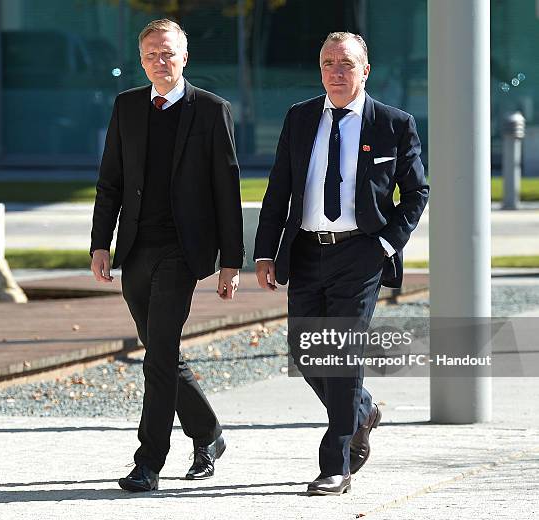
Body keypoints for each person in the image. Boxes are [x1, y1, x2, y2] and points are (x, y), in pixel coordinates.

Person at [254, 32, 428, 495]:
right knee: (307, 352)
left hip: (362, 254)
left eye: (346, 64)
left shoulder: (393, 123)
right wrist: (265, 250)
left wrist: (386, 245)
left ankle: (337, 464)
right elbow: (279, 188)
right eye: (328, 63)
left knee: (343, 355)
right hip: (307, 250)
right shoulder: (300, 117)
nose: (336, 72)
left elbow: (416, 192)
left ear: (365, 70)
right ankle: (363, 410)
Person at [90, 19, 244, 493]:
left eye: (169, 53)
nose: (161, 61)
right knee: (162, 353)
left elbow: (227, 188)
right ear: (142, 60)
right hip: (136, 248)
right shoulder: (127, 106)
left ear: (185, 57)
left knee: (157, 356)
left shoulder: (211, 110)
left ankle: (148, 462)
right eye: (153, 54)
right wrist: (101, 242)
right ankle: (209, 433)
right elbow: (110, 180)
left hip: (183, 250)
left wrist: (231, 261)